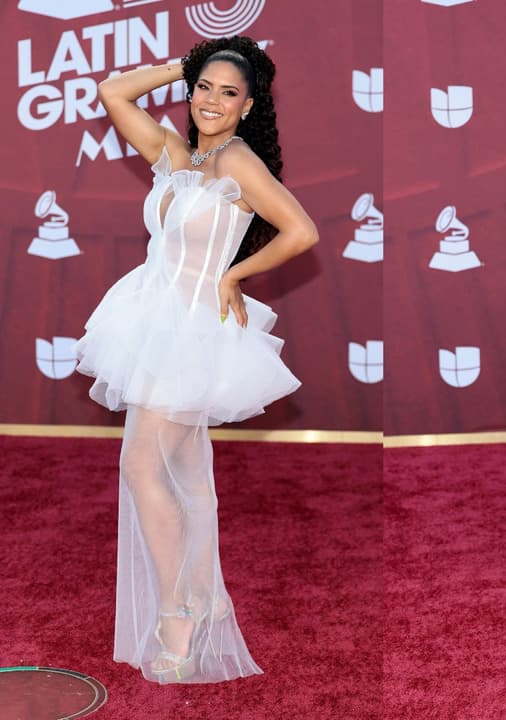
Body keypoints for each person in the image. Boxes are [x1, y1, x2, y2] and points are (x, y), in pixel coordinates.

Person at [75, 36, 317, 684]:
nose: (211, 100)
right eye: (203, 87)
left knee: (140, 464)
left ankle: (181, 609)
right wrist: (182, 66)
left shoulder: (238, 161)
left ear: (247, 106)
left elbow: (301, 231)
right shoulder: (180, 155)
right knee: (179, 475)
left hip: (191, 332)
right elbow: (111, 93)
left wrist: (236, 276)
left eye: (227, 92)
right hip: (152, 319)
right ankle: (203, 595)